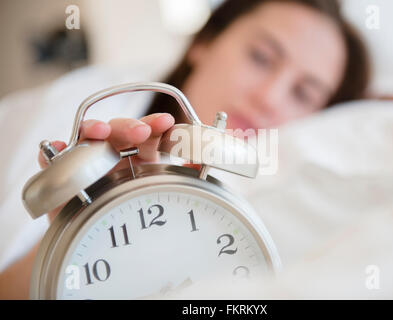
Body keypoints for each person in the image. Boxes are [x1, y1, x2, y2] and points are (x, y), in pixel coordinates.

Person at [0, 0, 370, 299]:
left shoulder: (291, 195)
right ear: (203, 42)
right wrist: (70, 232)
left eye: (303, 93)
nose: (270, 98)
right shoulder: (80, 107)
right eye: (260, 57)